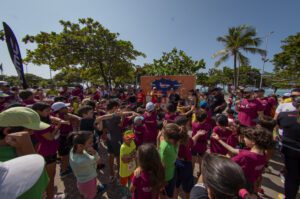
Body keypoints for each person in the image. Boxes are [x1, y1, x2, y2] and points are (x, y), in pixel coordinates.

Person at [0, 107, 50, 198]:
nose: (32, 133)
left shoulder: (18, 147)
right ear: (7, 131)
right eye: (29, 130)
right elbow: (39, 182)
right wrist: (28, 150)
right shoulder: (9, 158)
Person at [212, 126, 273, 193]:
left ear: (253, 141)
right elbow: (233, 150)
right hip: (250, 186)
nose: (243, 139)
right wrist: (218, 139)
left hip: (238, 185)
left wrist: (218, 157)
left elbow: (226, 164)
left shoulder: (245, 156)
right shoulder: (263, 155)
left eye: (245, 137)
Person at [32, 102, 67, 199]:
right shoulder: (40, 125)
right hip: (47, 152)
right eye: (47, 111)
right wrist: (58, 127)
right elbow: (50, 137)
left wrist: (57, 120)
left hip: (47, 151)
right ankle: (50, 196)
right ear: (38, 111)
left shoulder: (42, 119)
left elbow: (52, 118)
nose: (49, 113)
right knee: (50, 177)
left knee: (47, 177)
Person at [69, 131, 107, 199]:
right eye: (90, 143)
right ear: (80, 145)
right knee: (91, 196)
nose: (92, 144)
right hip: (88, 182)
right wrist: (94, 152)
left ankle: (94, 190)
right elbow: (99, 162)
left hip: (82, 181)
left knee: (85, 194)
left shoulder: (72, 150)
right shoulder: (84, 160)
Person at [277, 95, 300, 199]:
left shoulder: (284, 115)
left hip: (291, 152)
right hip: (292, 152)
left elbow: (279, 126)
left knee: (291, 177)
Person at [51, 101, 81, 177]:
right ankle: (64, 171)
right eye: (65, 107)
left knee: (63, 154)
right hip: (64, 137)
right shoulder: (64, 116)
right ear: (60, 110)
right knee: (65, 155)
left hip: (60, 136)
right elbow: (79, 119)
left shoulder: (54, 115)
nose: (67, 108)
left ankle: (64, 167)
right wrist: (71, 116)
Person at [158, 123, 183, 199]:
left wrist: (161, 181)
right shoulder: (176, 142)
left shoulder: (165, 146)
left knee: (163, 195)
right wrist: (165, 128)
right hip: (171, 173)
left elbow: (162, 165)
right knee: (170, 192)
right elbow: (163, 137)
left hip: (164, 177)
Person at [174, 116, 194, 199]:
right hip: (185, 164)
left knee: (176, 184)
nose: (189, 124)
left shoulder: (174, 137)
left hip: (176, 162)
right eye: (187, 124)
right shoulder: (187, 138)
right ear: (184, 126)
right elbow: (192, 144)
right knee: (187, 187)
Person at [191, 110, 211, 174]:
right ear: (205, 119)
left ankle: (191, 172)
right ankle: (200, 172)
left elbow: (193, 121)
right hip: (202, 145)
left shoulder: (194, 124)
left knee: (193, 160)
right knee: (201, 160)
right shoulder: (207, 126)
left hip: (194, 144)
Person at [119, 130, 137, 198]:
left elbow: (135, 151)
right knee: (123, 184)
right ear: (124, 139)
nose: (130, 140)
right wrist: (132, 155)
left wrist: (129, 156)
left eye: (132, 138)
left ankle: (130, 193)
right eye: (128, 138)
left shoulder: (132, 142)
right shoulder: (123, 147)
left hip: (132, 168)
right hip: (124, 170)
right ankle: (124, 195)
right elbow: (124, 160)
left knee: (131, 181)